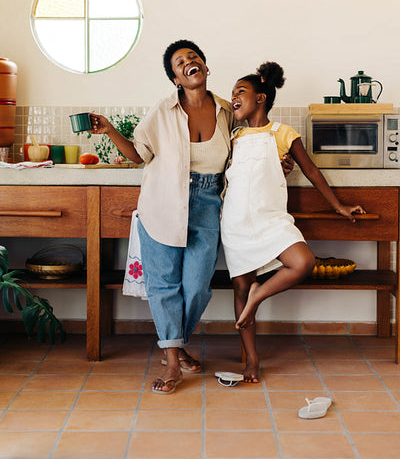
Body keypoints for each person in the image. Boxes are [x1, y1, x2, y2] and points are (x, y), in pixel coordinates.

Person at [89, 41, 294, 394]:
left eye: (194, 57)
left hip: (208, 202)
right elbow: (139, 155)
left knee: (197, 286)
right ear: (175, 77)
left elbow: (246, 149)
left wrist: (279, 161)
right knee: (164, 286)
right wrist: (109, 130)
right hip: (163, 200)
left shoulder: (225, 111)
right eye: (180, 62)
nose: (189, 63)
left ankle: (175, 342)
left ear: (205, 66)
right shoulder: (162, 112)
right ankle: (172, 361)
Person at [220, 61, 365, 383]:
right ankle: (251, 361)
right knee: (241, 286)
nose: (233, 98)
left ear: (261, 97)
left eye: (240, 92)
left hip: (270, 218)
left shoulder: (283, 134)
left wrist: (337, 205)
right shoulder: (234, 135)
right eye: (232, 94)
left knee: (302, 262)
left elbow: (311, 171)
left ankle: (259, 295)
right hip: (235, 220)